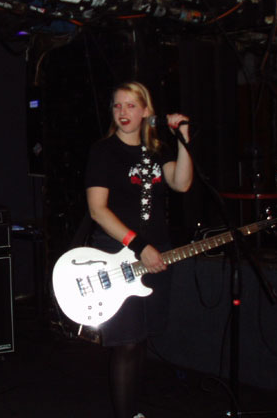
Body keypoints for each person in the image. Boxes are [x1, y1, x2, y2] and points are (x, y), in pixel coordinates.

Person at [84, 82, 192, 418]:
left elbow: (182, 183)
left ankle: (132, 410)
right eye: (117, 106)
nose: (123, 112)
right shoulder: (104, 151)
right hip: (117, 255)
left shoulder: (157, 151)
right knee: (127, 341)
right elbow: (97, 210)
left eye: (131, 105)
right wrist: (140, 245)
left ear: (146, 111)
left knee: (141, 337)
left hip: (155, 254)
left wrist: (183, 140)